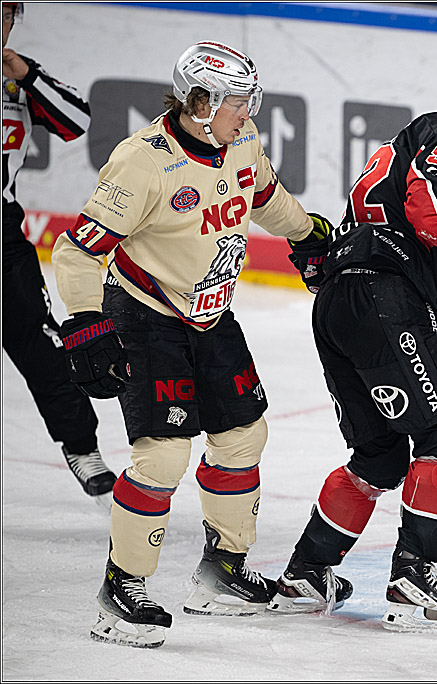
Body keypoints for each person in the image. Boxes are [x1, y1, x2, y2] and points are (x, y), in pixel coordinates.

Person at [50, 41, 327, 649]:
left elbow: (265, 200)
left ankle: (221, 573)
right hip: (146, 316)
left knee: (243, 435)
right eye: (235, 100)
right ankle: (120, 591)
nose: (247, 111)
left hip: (211, 312)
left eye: (250, 99)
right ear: (198, 102)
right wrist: (86, 328)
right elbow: (76, 251)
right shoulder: (143, 163)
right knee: (164, 454)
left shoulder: (243, 140)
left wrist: (310, 235)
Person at [269, 53, 437, 631]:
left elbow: (405, 221)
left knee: (380, 455)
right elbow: (424, 209)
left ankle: (307, 573)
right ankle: (415, 576)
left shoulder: (422, 132)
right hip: (383, 301)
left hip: (343, 301)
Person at [2, 1, 116, 502]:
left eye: (8, 14)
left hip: (4, 235)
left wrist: (24, 73)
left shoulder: (17, 81)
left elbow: (75, 121)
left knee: (44, 344)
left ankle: (81, 445)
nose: (2, 24)